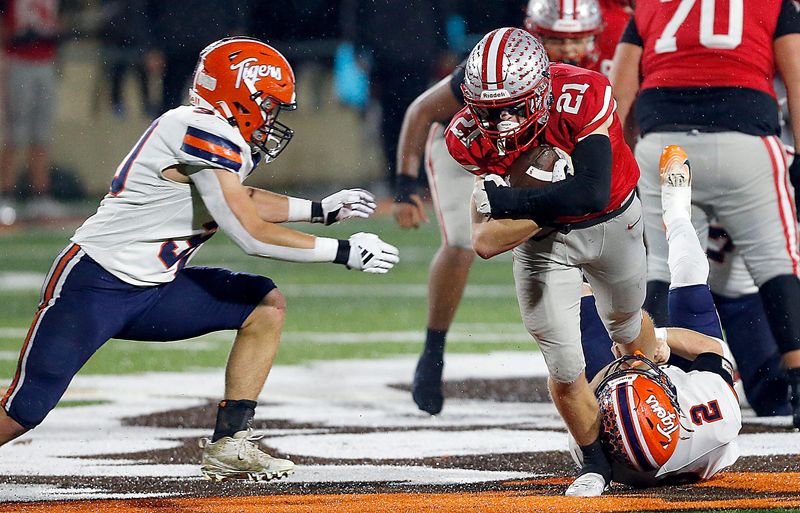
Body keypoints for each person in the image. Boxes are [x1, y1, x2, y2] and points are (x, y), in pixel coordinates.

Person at [0, 37, 399, 482]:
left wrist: (320, 210)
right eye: (268, 105)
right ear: (240, 93)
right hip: (96, 284)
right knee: (23, 411)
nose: (271, 118)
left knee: (263, 305)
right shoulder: (195, 128)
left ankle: (230, 443)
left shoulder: (212, 133)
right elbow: (248, 232)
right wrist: (342, 251)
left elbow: (236, 198)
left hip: (156, 289)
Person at [447, 27, 665, 497]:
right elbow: (485, 240)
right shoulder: (465, 136)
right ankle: (595, 463)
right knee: (564, 364)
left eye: (512, 107)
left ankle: (659, 394)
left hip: (612, 221)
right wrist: (551, 203)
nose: (501, 123)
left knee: (626, 324)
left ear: (542, 91)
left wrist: (513, 202)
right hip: (543, 244)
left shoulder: (583, 91)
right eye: (488, 111)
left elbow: (592, 191)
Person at [394, 0, 624, 416]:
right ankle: (433, 350)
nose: (568, 49)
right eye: (556, 39)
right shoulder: (501, 67)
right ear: (536, 33)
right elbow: (422, 111)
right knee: (463, 243)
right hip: (473, 147)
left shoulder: (596, 70)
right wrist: (406, 186)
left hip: (538, 148)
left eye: (577, 39)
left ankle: (599, 365)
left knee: (576, 237)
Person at [610, 0, 800, 428]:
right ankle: (799, 382)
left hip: (664, 139)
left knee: (664, 266)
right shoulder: (774, 4)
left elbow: (619, 92)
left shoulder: (652, 5)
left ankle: (650, 380)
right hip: (744, 138)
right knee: (777, 263)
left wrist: (608, 165)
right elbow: (796, 78)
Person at [572, 145, 741, 487]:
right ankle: (677, 213)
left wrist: (621, 364)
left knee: (576, 297)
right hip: (696, 406)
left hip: (619, 413)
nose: (635, 366)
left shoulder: (590, 442)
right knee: (690, 281)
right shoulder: (714, 414)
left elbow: (575, 392)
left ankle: (573, 225)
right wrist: (657, 338)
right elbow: (712, 349)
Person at [0, 0, 65, 221]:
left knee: (41, 135)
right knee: (15, 134)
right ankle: (6, 195)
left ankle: (40, 195)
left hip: (46, 61)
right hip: (19, 60)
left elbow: (61, 22)